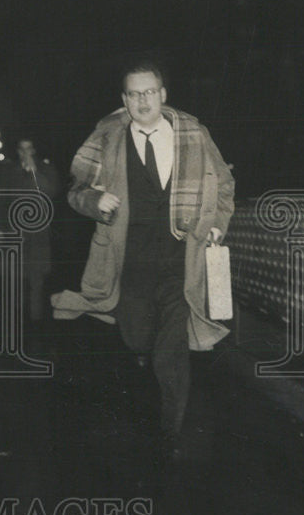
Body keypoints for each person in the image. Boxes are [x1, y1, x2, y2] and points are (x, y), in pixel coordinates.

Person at [52, 60, 234, 457]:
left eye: (150, 92)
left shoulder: (193, 133)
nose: (143, 100)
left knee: (171, 349)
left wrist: (218, 224)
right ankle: (143, 353)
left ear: (163, 95)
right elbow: (74, 189)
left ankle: (171, 432)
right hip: (129, 259)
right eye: (134, 94)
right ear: (124, 100)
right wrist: (95, 200)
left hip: (179, 259)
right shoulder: (107, 138)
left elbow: (224, 183)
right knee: (137, 334)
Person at [0, 136, 60, 341]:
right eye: (21, 149)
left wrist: (34, 171)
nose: (25, 153)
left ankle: (35, 321)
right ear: (17, 151)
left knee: (37, 278)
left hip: (39, 234)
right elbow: (1, 200)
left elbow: (50, 191)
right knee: (15, 278)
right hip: (15, 233)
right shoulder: (8, 171)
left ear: (34, 150)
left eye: (29, 148)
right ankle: (16, 320)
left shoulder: (45, 169)